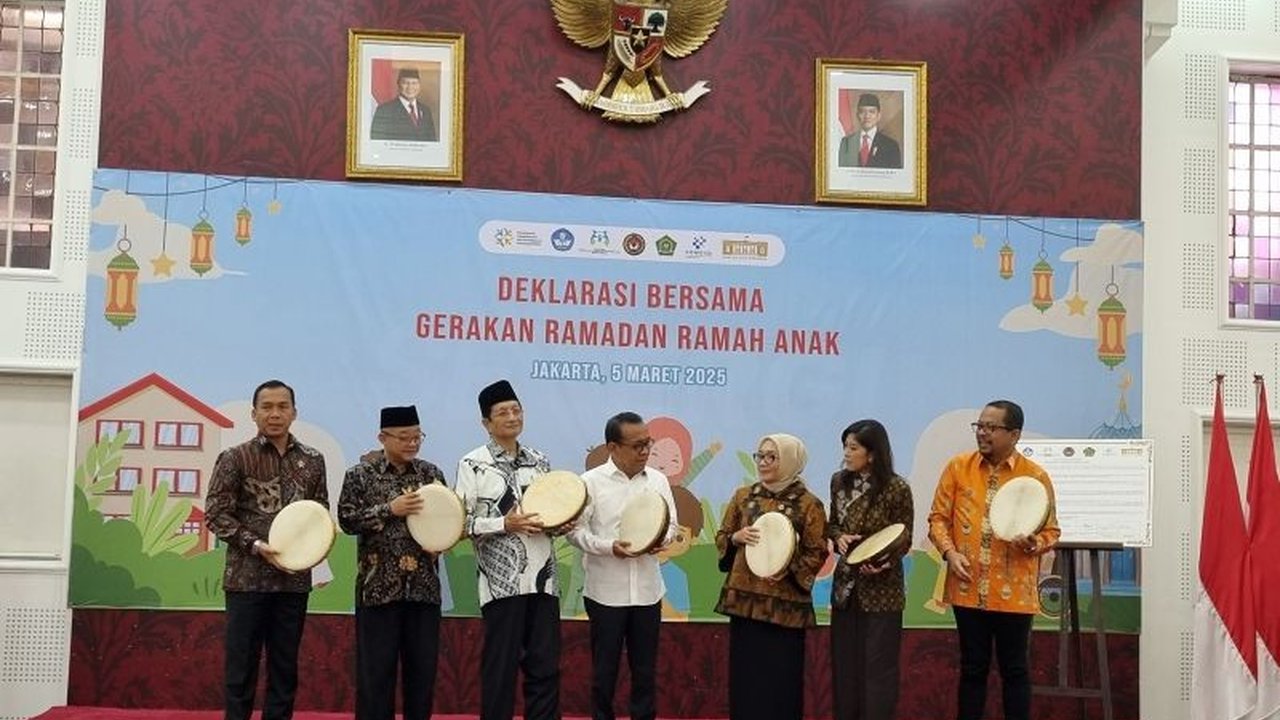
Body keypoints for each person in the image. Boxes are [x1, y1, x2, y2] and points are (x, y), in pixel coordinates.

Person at [927, 400, 1061, 720]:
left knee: (1015, 670)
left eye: (991, 427)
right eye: (980, 426)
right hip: (967, 586)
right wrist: (950, 553)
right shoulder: (958, 467)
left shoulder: (1035, 476)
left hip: (1013, 593)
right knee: (972, 668)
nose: (982, 433)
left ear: (1014, 435)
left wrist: (1033, 544)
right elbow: (937, 519)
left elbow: (1052, 531)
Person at [205, 379, 329, 720]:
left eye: (282, 407)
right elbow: (215, 515)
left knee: (285, 671)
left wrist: (313, 557)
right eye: (267, 407)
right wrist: (256, 545)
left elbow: (318, 515)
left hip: (293, 582)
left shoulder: (313, 460)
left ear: (294, 412)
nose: (275, 414)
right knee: (240, 671)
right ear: (254, 413)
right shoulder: (235, 457)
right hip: (247, 582)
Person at [455, 379, 560, 720]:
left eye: (517, 410)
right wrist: (504, 524)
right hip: (502, 585)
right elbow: (461, 525)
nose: (512, 417)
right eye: (503, 412)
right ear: (486, 423)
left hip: (544, 580)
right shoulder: (473, 464)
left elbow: (553, 510)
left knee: (545, 665)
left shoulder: (540, 461)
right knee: (500, 667)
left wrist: (562, 523)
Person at [338, 405, 448, 720]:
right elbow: (347, 520)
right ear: (382, 438)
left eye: (417, 437)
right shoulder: (360, 475)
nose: (412, 444)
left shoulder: (431, 474)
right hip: (377, 590)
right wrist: (390, 508)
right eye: (403, 438)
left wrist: (440, 543)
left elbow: (447, 519)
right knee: (375, 677)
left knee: (422, 676)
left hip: (423, 591)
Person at [567, 412, 678, 720]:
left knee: (645, 671)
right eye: (637, 445)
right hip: (605, 593)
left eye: (648, 444)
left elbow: (672, 525)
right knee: (605, 671)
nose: (645, 451)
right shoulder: (590, 482)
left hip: (647, 591)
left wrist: (659, 539)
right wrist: (608, 547)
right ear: (613, 447)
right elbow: (574, 532)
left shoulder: (658, 480)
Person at [714, 433, 828, 720]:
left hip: (785, 608)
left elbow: (817, 553)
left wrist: (787, 568)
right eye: (760, 456)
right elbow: (722, 536)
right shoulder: (744, 496)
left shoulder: (809, 504)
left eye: (772, 457)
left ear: (790, 460)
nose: (763, 463)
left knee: (781, 682)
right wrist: (735, 538)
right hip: (745, 603)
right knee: (746, 679)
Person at [827, 419, 914, 720]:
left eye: (853, 448)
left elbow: (904, 538)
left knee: (878, 670)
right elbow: (833, 522)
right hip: (845, 590)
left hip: (883, 591)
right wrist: (838, 537)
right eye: (845, 447)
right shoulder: (838, 481)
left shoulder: (896, 488)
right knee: (845, 668)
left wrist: (883, 562)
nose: (846, 454)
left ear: (873, 454)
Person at [370, 67, 437, 142]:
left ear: (419, 85)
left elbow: (432, 141)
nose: (410, 87)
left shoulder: (425, 111)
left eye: (414, 83)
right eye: (405, 83)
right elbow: (377, 142)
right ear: (398, 84)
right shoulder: (384, 110)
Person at [837, 93, 902, 169]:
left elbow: (895, 178)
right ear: (857, 115)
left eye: (871, 112)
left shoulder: (891, 146)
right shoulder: (846, 143)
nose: (867, 116)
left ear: (878, 116)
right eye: (862, 111)